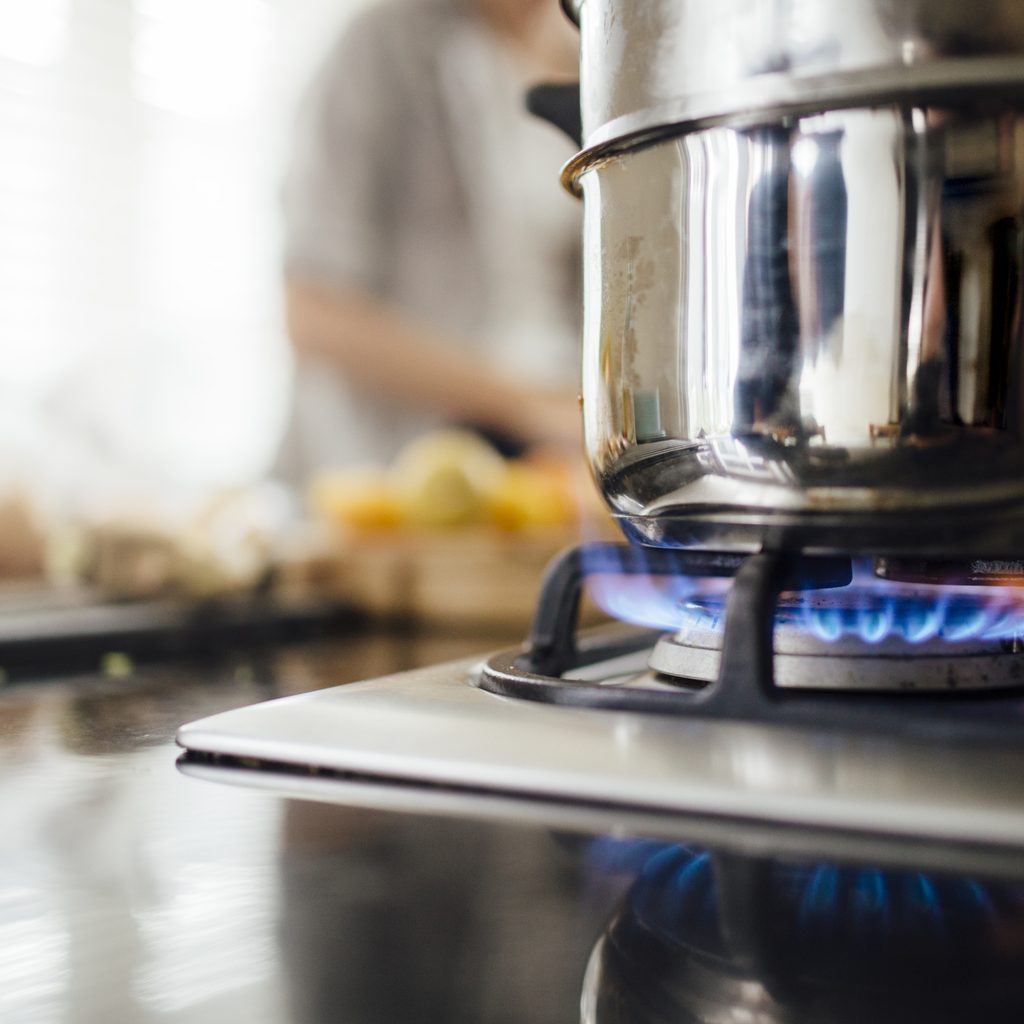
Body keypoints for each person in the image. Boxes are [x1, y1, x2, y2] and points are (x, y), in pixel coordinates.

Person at [275, 0, 582, 484]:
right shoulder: (379, 47)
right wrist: (534, 406)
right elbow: (314, 312)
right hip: (397, 467)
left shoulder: (591, 57)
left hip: (554, 463)